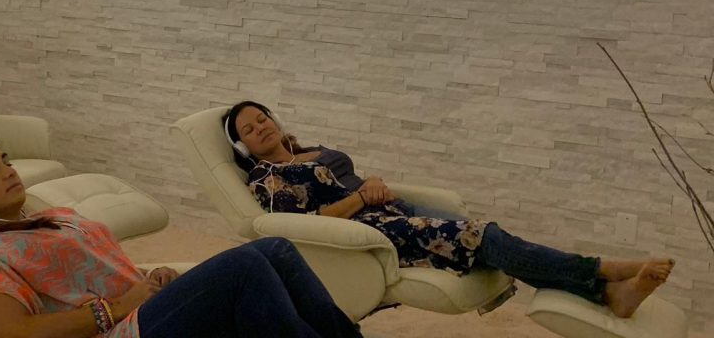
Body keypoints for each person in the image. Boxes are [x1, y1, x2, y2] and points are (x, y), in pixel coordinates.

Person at [223, 100, 675, 319]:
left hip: (391, 210)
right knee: (487, 237)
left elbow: (350, 178)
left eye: (262, 118)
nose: (261, 127)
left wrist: (373, 182)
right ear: (243, 146)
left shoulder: (309, 150)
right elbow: (299, 226)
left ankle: (606, 294)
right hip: (370, 232)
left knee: (492, 242)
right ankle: (603, 271)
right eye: (249, 129)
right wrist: (361, 198)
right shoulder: (268, 178)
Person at [0, 135, 364, 338]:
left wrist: (152, 277)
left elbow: (105, 272)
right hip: (120, 329)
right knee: (246, 265)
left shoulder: (50, 217)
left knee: (276, 250)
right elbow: (15, 333)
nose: (9, 171)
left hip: (144, 309)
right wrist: (116, 308)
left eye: (6, 160)